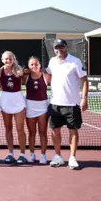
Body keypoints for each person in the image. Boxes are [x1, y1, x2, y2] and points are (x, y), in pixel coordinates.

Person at [46, 39, 88, 170]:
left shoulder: (75, 61)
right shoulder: (52, 61)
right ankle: (58, 156)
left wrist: (84, 99)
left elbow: (85, 81)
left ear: (66, 47)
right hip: (54, 104)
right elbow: (47, 74)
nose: (59, 49)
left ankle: (72, 157)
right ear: (54, 49)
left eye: (61, 47)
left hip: (71, 104)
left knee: (73, 131)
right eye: (57, 47)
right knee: (55, 131)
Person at [0, 51, 27, 164]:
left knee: (20, 129)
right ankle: (10, 153)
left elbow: (25, 80)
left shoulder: (19, 70)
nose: (8, 61)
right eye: (6, 59)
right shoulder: (0, 71)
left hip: (18, 101)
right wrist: (2, 87)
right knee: (8, 128)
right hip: (6, 100)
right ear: (2, 60)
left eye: (10, 59)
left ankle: (22, 154)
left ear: (13, 59)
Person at [23, 56, 50, 164]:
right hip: (30, 107)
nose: (34, 66)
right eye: (32, 64)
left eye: (36, 64)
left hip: (43, 107)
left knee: (43, 132)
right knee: (31, 133)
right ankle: (32, 154)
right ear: (29, 66)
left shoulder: (46, 76)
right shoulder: (25, 77)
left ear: (40, 65)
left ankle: (43, 155)